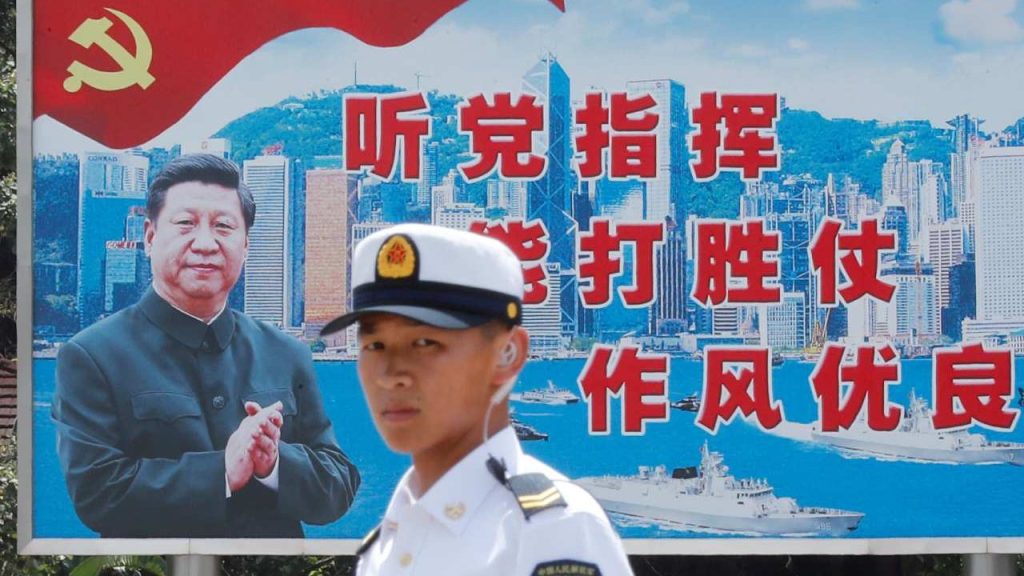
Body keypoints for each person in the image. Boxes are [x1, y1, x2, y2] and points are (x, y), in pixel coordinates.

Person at [53, 153, 360, 538]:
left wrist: (274, 463)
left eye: (223, 226)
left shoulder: (286, 352)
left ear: (245, 246)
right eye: (185, 224)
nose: (205, 243)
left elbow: (338, 484)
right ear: (149, 237)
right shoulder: (92, 356)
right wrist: (223, 471)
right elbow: (98, 494)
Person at [321, 223, 633, 575]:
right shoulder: (385, 542)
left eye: (426, 343)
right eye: (374, 345)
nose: (391, 374)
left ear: (508, 354)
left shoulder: (551, 530)